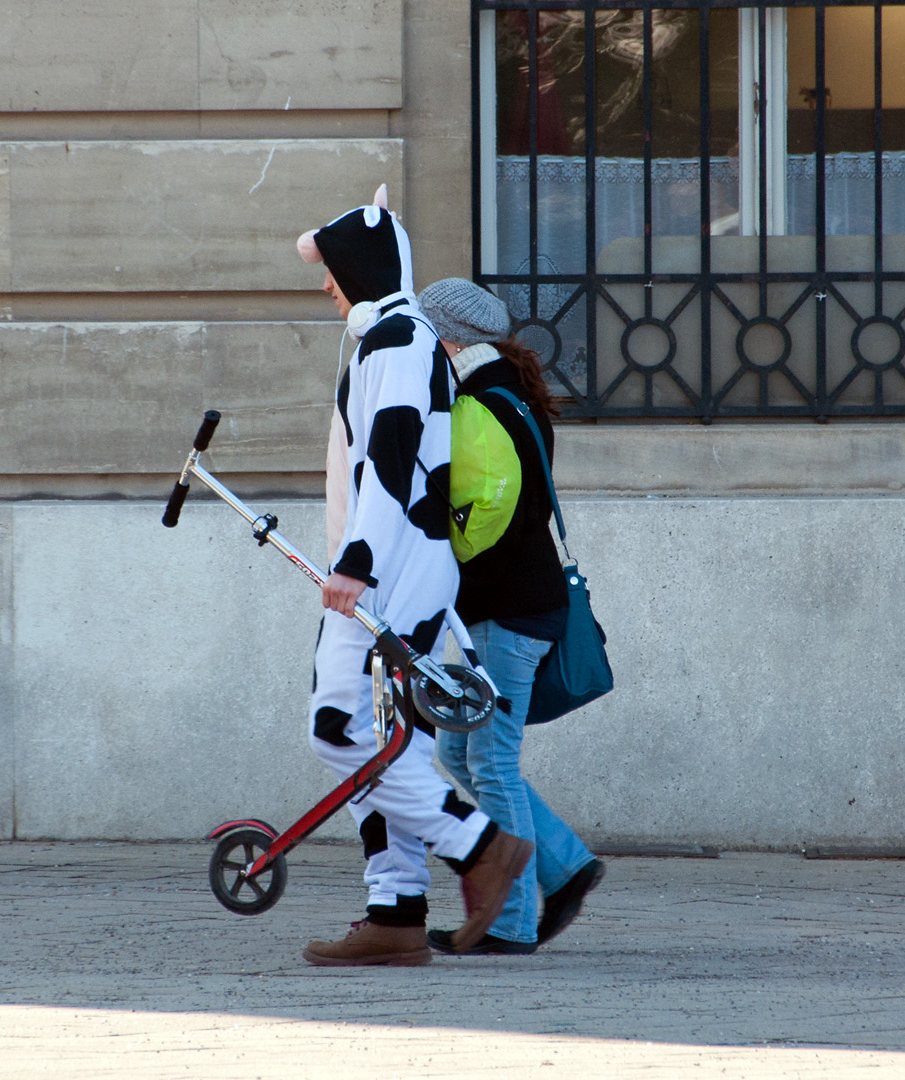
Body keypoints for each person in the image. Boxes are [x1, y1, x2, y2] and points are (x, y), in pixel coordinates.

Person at [294, 188, 534, 967]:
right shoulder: (391, 338)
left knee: (339, 729)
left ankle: (478, 848)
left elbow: (393, 465)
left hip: (392, 571)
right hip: (398, 567)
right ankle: (394, 911)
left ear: (357, 268)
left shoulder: (397, 339)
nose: (324, 285)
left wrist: (355, 566)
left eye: (329, 271)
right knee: (383, 740)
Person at [415, 276, 606, 955]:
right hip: (508, 608)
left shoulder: (481, 403)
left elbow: (481, 516)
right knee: (458, 751)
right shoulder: (509, 393)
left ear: (445, 336)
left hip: (508, 611)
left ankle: (512, 921)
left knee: (490, 759)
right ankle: (565, 862)